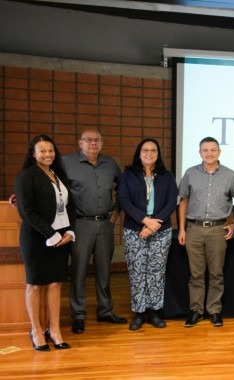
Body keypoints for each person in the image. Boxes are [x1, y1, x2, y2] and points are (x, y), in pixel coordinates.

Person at [62, 129, 126, 333]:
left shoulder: (110, 164)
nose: (92, 144)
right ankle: (78, 314)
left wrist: (118, 208)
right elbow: (49, 186)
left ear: (102, 143)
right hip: (80, 224)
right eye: (88, 140)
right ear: (79, 143)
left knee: (104, 270)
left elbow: (124, 188)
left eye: (96, 140)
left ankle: (105, 311)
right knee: (79, 271)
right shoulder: (66, 163)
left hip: (105, 224)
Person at [15, 135, 74, 351]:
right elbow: (26, 211)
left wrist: (69, 231)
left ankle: (55, 330)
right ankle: (37, 331)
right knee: (35, 284)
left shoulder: (59, 175)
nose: (47, 154)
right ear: (33, 154)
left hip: (62, 237)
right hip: (36, 237)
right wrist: (51, 233)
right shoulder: (26, 176)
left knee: (55, 283)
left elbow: (70, 207)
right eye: (42, 151)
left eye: (50, 150)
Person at [178, 137, 234, 328]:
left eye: (213, 150)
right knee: (196, 274)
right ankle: (196, 311)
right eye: (205, 150)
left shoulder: (230, 175)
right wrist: (181, 228)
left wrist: (233, 223)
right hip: (193, 229)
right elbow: (183, 201)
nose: (209, 153)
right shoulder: (190, 173)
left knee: (216, 273)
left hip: (217, 230)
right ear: (200, 153)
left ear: (219, 152)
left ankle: (214, 311)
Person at [118, 138, 178, 331]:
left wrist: (153, 225)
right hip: (134, 229)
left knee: (156, 272)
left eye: (153, 150)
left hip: (160, 230)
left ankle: (154, 311)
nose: (149, 153)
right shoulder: (128, 175)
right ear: (139, 152)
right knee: (137, 272)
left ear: (158, 154)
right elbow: (124, 200)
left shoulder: (166, 175)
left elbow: (171, 202)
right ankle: (139, 312)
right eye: (145, 150)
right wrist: (145, 220)